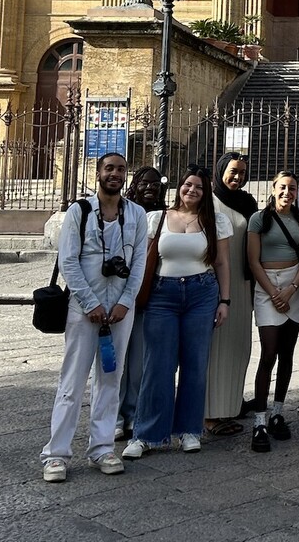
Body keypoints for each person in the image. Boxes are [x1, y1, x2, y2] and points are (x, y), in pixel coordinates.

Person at [40, 152, 148, 482]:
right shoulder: (80, 212)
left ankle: (102, 447)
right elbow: (69, 262)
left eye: (120, 170)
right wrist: (90, 304)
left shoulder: (137, 214)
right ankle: (55, 454)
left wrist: (125, 302)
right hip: (82, 310)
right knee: (72, 381)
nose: (115, 174)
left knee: (110, 380)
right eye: (109, 169)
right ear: (99, 173)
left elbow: (140, 262)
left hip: (119, 312)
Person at [124, 165, 232, 458]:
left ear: (205, 191)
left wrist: (225, 301)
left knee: (195, 364)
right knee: (157, 364)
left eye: (198, 186)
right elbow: (143, 260)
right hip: (162, 294)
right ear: (178, 187)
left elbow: (222, 263)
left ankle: (189, 430)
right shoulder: (157, 218)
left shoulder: (216, 221)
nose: (192, 190)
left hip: (202, 293)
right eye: (187, 185)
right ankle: (146, 434)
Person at [247, 171, 299, 452]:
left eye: (293, 188)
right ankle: (259, 420)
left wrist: (291, 289)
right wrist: (274, 292)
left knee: (287, 354)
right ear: (273, 189)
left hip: (293, 285)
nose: (288, 192)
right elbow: (252, 260)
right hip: (267, 286)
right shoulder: (259, 219)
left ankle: (277, 412)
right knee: (268, 353)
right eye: (283, 187)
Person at [205, 152, 255, 436]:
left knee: (238, 347)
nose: (237, 177)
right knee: (216, 349)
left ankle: (232, 402)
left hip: (243, 282)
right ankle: (211, 413)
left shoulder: (247, 202)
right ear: (221, 170)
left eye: (242, 172)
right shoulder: (209, 202)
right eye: (233, 171)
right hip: (217, 283)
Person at [116, 165, 165, 441]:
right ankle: (114, 415)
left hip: (147, 295)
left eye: (155, 184)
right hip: (120, 295)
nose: (150, 188)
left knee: (138, 362)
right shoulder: (123, 213)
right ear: (134, 185)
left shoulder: (164, 216)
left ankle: (133, 413)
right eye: (145, 183)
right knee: (116, 361)